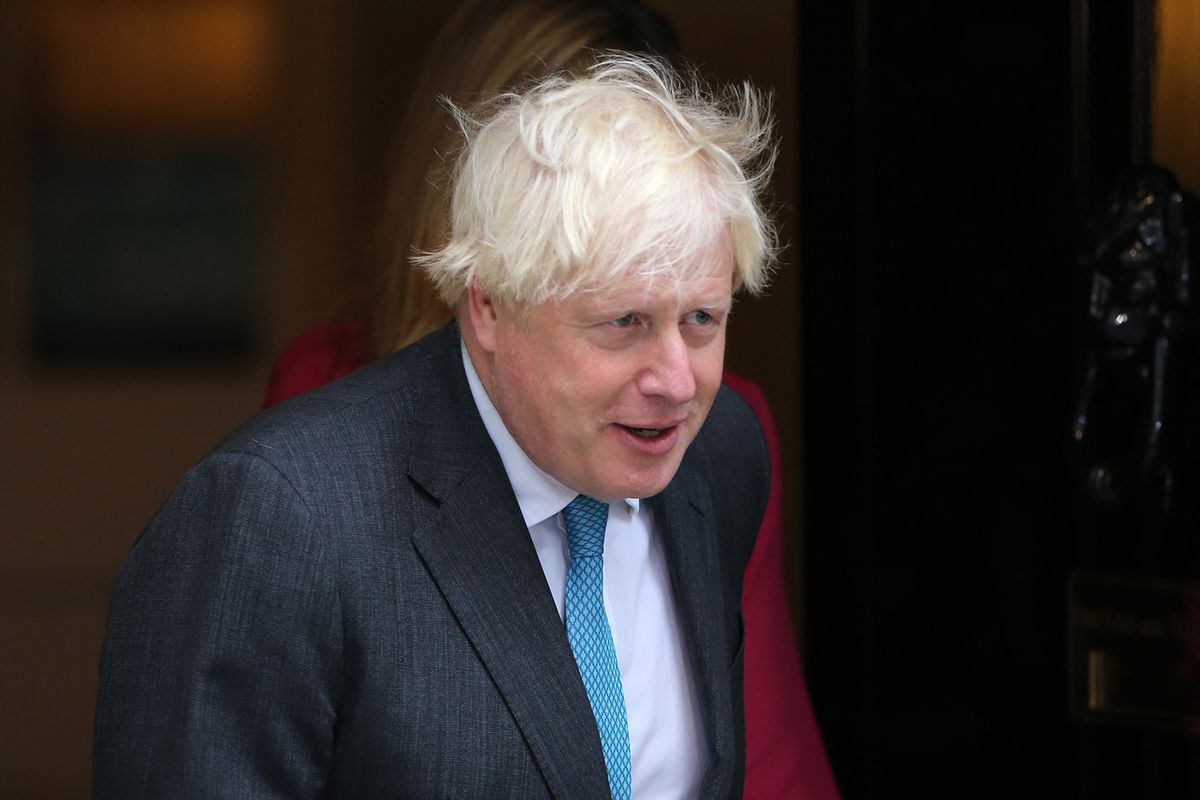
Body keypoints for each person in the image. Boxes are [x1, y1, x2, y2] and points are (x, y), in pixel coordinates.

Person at [95, 54, 779, 798]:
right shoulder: (281, 519)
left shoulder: (718, 455)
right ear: (487, 307)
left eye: (702, 319)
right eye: (624, 323)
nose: (677, 381)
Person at [260, 4, 840, 795]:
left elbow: (764, 754)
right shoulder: (311, 450)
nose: (671, 378)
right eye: (558, 143)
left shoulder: (715, 439)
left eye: (701, 318)